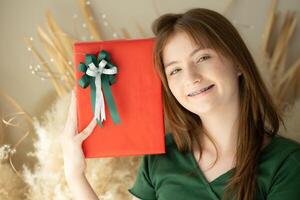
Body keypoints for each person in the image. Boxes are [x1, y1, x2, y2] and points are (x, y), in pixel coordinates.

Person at [61, 8, 300, 200]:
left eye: (203, 57)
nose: (191, 78)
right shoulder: (161, 157)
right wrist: (75, 176)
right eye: (174, 70)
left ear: (238, 62)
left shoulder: (287, 163)